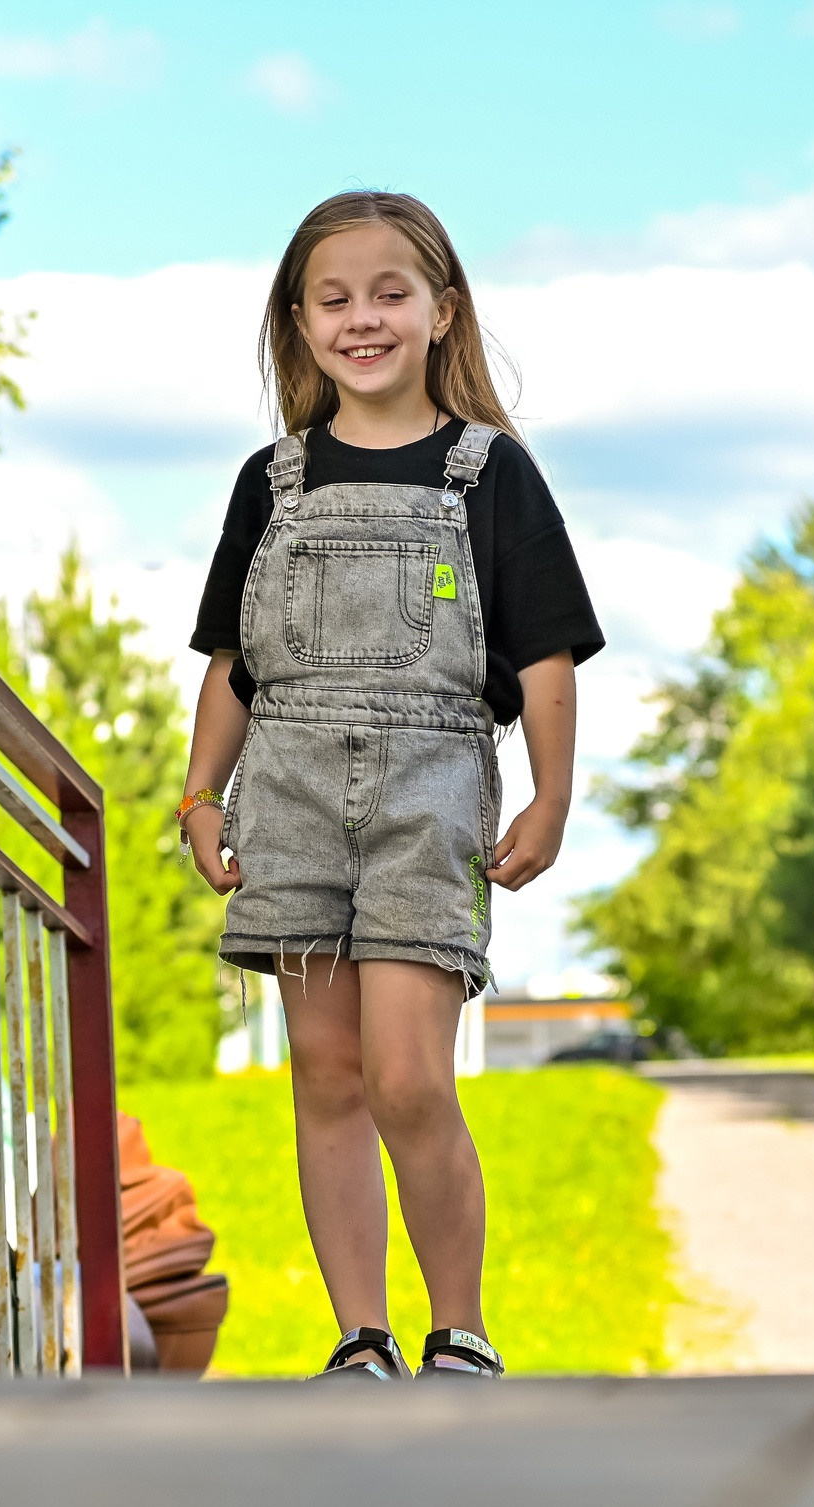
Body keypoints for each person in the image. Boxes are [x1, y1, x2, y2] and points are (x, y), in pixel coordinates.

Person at [179, 191, 604, 1381]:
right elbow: (233, 663)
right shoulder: (273, 480)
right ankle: (359, 1337)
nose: (361, 317)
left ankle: (458, 1330)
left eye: (389, 293)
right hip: (292, 796)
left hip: (427, 796)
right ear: (299, 323)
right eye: (334, 298)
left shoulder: (489, 477)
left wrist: (549, 798)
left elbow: (547, 658)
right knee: (326, 1073)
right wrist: (198, 796)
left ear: (440, 311)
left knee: (410, 1075)